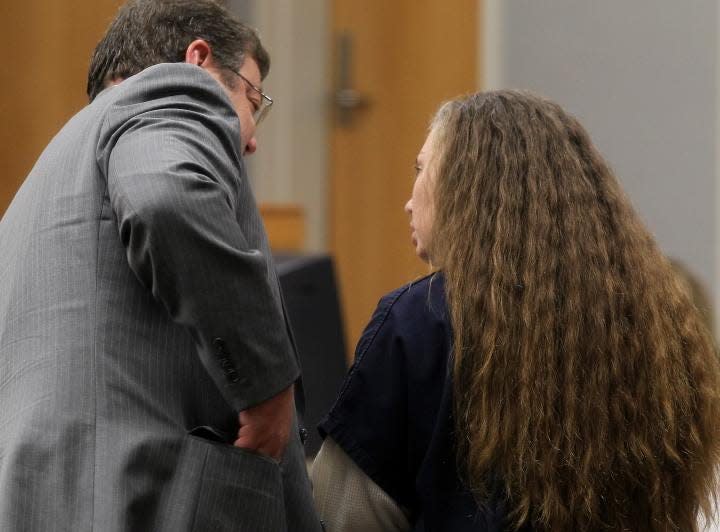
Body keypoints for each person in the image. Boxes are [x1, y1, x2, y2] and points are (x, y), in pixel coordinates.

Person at [311, 90, 720, 531]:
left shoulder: (419, 321)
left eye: (420, 169)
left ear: (464, 186)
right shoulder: (657, 325)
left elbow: (345, 513)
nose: (409, 201)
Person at [0, 0, 321, 530]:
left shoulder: (42, 189)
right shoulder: (173, 93)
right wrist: (265, 390)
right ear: (197, 59)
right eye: (252, 98)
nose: (253, 139)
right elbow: (166, 197)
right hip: (139, 499)